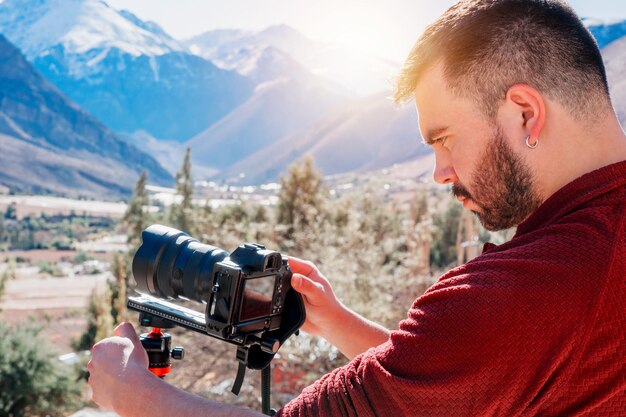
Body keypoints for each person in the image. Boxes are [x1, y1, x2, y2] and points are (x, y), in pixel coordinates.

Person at [88, 0, 626, 415]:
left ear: (526, 113)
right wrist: (342, 325)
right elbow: (490, 372)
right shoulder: (591, 261)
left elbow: (501, 331)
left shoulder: (533, 288)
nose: (439, 171)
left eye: (443, 138)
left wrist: (132, 394)